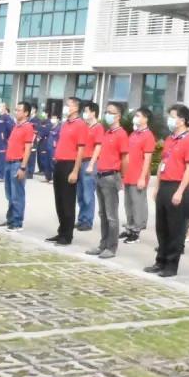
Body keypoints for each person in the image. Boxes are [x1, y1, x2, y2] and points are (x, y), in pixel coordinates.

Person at [145, 104, 189, 278]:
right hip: (165, 185)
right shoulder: (170, 139)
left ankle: (171, 265)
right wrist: (157, 187)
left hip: (177, 185)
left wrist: (180, 191)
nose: (170, 120)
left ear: (182, 120)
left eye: (173, 116)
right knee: (162, 227)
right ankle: (160, 260)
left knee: (176, 228)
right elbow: (163, 162)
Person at [86, 102, 128, 258]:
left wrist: (122, 177)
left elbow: (125, 158)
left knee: (111, 215)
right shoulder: (107, 133)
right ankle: (103, 244)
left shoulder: (121, 134)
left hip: (111, 176)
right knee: (103, 214)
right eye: (106, 112)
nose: (107, 115)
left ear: (118, 116)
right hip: (101, 175)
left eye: (111, 112)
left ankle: (111, 247)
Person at [48, 97, 88, 246]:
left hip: (70, 165)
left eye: (68, 105)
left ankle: (67, 235)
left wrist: (75, 171)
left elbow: (81, 149)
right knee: (59, 200)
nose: (65, 107)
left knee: (67, 201)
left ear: (76, 108)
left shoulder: (80, 125)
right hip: (59, 163)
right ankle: (61, 231)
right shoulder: (65, 124)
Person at [0, 102, 36, 232]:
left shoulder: (28, 127)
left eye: (19, 110)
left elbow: (28, 149)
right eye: (16, 110)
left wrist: (23, 167)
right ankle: (10, 218)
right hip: (9, 162)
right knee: (9, 193)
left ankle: (17, 222)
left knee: (17, 194)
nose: (16, 112)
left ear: (26, 113)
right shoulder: (16, 126)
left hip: (17, 163)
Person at [123, 108, 155, 243]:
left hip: (138, 175)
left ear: (145, 119)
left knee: (137, 204)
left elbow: (147, 159)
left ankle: (136, 231)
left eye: (138, 115)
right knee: (128, 203)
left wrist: (142, 177)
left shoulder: (148, 136)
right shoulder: (134, 134)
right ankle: (129, 228)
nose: (135, 118)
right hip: (128, 174)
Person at [77, 102, 104, 232]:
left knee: (88, 193)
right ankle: (81, 218)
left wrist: (92, 164)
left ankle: (87, 221)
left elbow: (98, 147)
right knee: (80, 193)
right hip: (80, 161)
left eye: (87, 111)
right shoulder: (84, 126)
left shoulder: (98, 127)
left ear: (93, 113)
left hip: (89, 162)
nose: (85, 113)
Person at [0, 103, 15, 182]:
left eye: (0, 106)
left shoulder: (7, 118)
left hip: (2, 142)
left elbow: (11, 129)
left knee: (1, 159)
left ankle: (1, 176)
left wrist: (5, 138)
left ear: (5, 108)